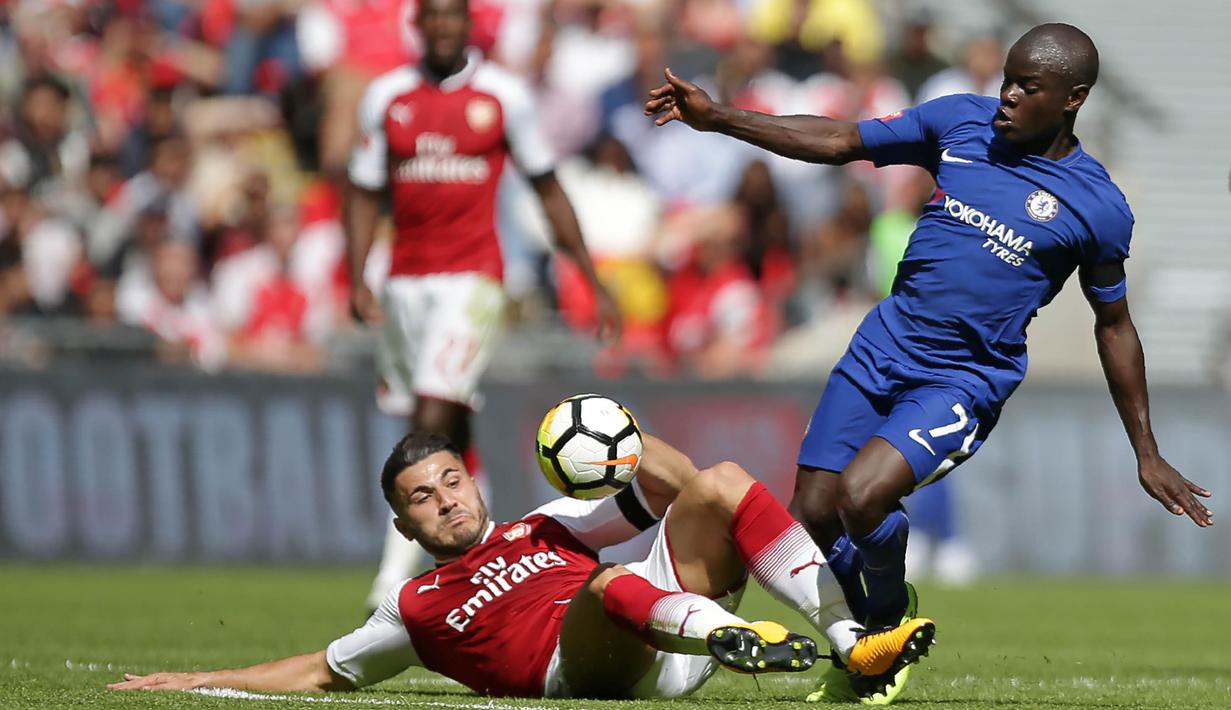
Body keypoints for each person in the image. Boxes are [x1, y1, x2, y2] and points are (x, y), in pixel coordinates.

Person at [645, 22, 1214, 703]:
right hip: (881, 346)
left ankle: (884, 619)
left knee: (861, 496)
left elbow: (1114, 326)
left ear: (1072, 98)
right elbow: (840, 140)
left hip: (963, 378)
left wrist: (1145, 450)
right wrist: (720, 121)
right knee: (814, 515)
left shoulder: (1096, 206)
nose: (1004, 96)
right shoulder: (958, 124)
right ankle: (863, 636)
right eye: (1004, 79)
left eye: (1025, 87)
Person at [108, 430, 935, 699]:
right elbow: (321, 672)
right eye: (422, 499)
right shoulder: (413, 606)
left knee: (721, 482)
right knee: (606, 583)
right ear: (403, 521)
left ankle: (848, 637)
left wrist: (626, 435)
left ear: (472, 482)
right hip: (590, 662)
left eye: (449, 482)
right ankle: (728, 633)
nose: (444, 501)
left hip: (657, 630)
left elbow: (682, 492)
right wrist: (193, 681)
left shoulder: (548, 524)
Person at [346, 0, 622, 608]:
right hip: (404, 282)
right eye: (433, 17)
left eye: (454, 16)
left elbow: (548, 187)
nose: (444, 27)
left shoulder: (503, 96)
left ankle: (392, 574)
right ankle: (485, 559)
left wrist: (590, 277)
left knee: (431, 411)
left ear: (469, 25)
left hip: (472, 279)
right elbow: (364, 190)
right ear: (418, 25)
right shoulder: (386, 96)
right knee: (448, 421)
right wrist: (358, 271)